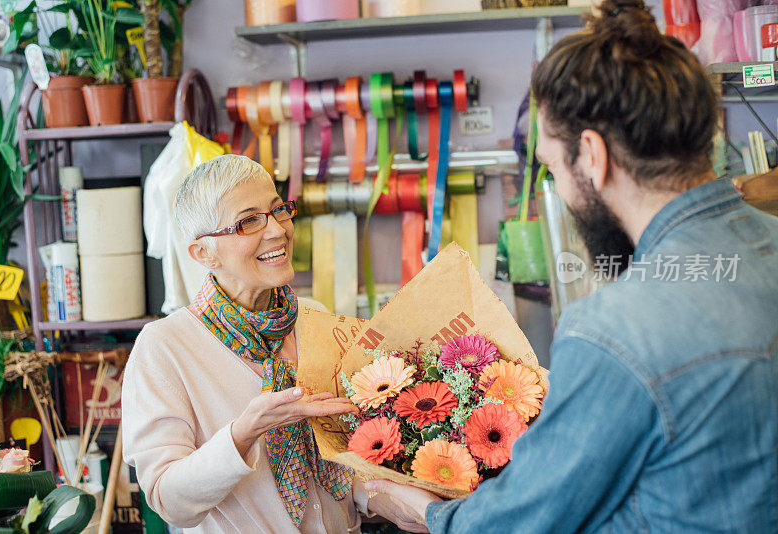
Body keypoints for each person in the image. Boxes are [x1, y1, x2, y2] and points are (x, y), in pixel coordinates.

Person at [365, 1, 778, 532]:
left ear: (592, 155)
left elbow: (522, 522)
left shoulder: (615, 329)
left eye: (554, 167)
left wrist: (421, 510)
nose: (557, 188)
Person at [121, 155, 403, 533]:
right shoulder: (164, 347)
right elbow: (170, 502)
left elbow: (340, 458)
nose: (276, 231)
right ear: (204, 253)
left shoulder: (313, 317)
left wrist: (397, 505)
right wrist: (244, 433)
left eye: (278, 210)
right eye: (248, 221)